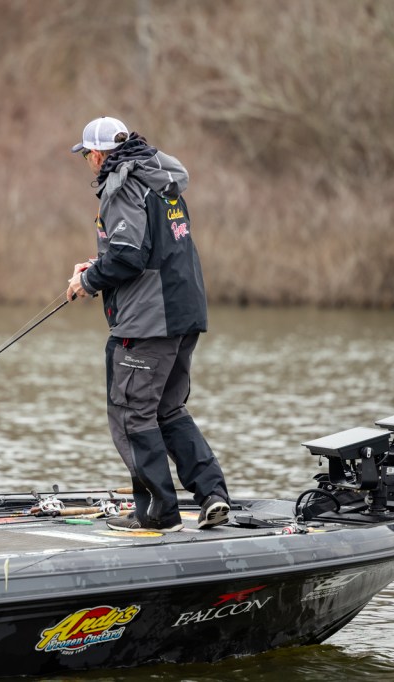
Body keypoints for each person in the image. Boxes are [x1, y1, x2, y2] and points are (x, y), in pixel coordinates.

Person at [66, 116, 231, 532]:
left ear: (98, 154)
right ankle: (212, 495)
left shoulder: (122, 185)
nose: (88, 162)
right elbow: (148, 249)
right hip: (184, 313)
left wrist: (88, 281)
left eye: (86, 155)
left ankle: (158, 514)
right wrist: (98, 265)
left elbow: (128, 256)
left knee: (132, 416)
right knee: (167, 410)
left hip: (147, 322)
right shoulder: (161, 179)